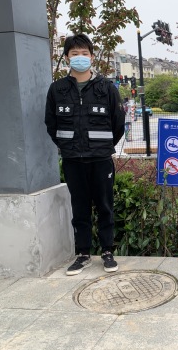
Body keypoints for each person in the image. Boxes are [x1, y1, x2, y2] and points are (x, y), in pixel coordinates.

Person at [45, 33, 125, 275]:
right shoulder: (57, 89)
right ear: (66, 58)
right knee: (79, 208)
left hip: (101, 159)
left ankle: (107, 251)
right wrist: (67, 146)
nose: (80, 57)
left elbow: (118, 123)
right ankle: (82, 254)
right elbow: (51, 124)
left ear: (91, 57)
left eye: (84, 53)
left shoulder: (106, 88)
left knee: (104, 206)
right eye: (74, 54)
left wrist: (101, 146)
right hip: (73, 160)